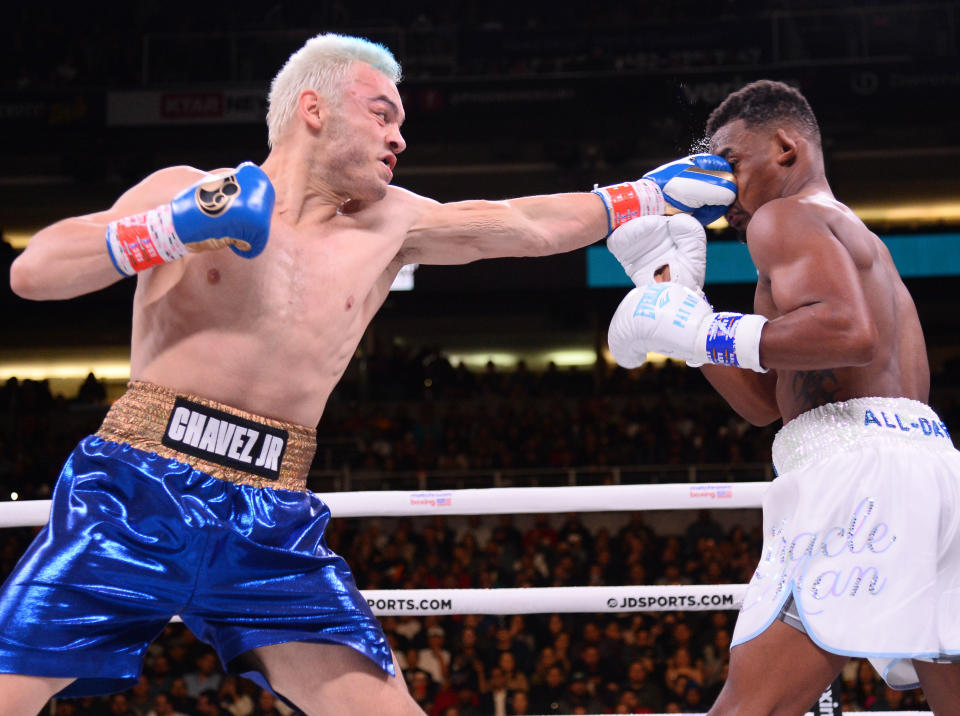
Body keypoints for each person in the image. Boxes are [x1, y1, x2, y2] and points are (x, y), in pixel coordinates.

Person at [0, 32, 735, 716]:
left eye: (401, 121)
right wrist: (173, 226)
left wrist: (641, 196)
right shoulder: (193, 189)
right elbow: (35, 272)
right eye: (382, 112)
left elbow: (524, 223)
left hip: (269, 518)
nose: (399, 136)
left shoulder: (392, 223)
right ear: (313, 109)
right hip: (136, 490)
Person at [606, 79, 960, 713]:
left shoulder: (785, 216)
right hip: (931, 469)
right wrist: (689, 309)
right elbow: (767, 404)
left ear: (788, 149)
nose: (718, 191)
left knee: (750, 706)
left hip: (862, 476)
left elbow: (849, 334)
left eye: (731, 165)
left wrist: (706, 329)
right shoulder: (849, 236)